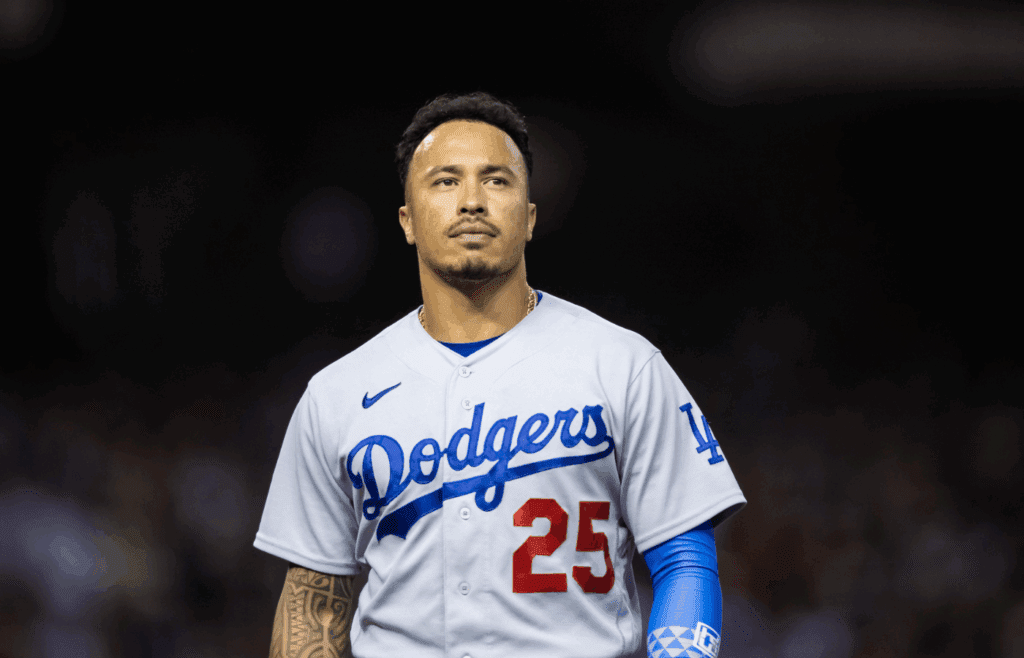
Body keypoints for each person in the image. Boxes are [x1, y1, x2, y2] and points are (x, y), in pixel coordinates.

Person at [254, 91, 747, 658]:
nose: (470, 202)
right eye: (444, 181)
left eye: (496, 181)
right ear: (407, 221)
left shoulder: (622, 364)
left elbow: (684, 559)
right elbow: (315, 601)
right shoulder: (336, 394)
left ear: (530, 217)